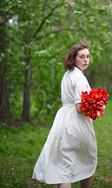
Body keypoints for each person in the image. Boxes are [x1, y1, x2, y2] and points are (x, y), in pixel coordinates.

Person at [32, 41, 97, 188]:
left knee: (63, 166)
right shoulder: (80, 78)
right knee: (89, 160)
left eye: (88, 56)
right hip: (77, 123)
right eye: (82, 57)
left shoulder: (68, 75)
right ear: (73, 58)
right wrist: (96, 108)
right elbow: (80, 108)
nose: (86, 60)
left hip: (62, 121)